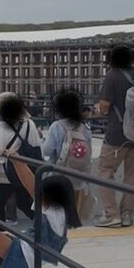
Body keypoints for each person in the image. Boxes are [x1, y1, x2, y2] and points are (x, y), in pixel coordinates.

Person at [93, 44, 134, 228]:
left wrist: (98, 109)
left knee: (105, 171)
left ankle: (112, 214)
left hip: (116, 136)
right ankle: (127, 214)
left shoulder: (112, 76)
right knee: (132, 176)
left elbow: (104, 106)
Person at [0, 93, 41, 224]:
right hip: (24, 172)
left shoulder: (1, 127)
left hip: (5, 174)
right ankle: (43, 224)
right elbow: (36, 147)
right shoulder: (30, 124)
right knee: (24, 202)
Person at [41, 89, 95, 220]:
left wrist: (41, 140)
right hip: (79, 179)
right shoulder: (85, 128)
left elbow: (46, 151)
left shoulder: (57, 126)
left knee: (56, 218)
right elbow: (89, 152)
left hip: (59, 177)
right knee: (73, 217)